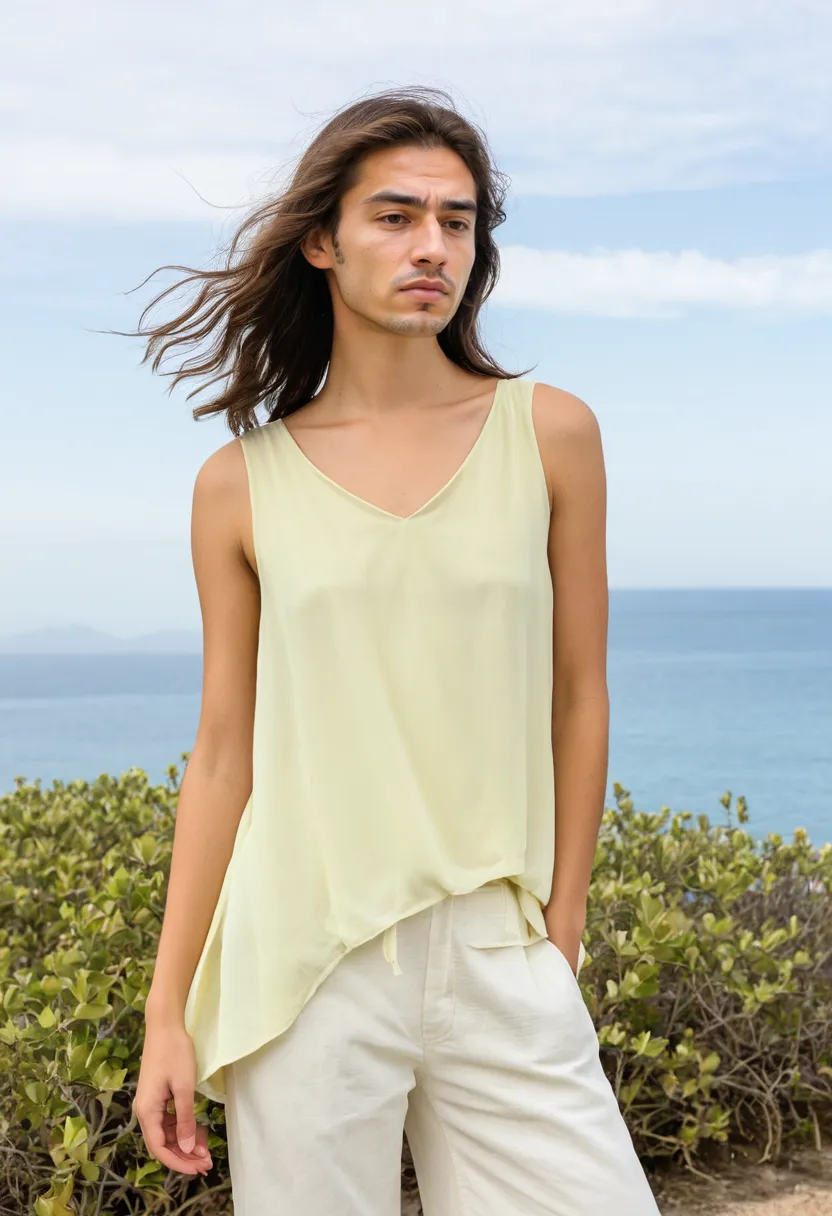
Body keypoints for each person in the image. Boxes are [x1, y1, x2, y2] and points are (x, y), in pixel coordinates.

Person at [128, 85, 662, 1214]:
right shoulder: (239, 487)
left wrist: (558, 926)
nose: (433, 247)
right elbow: (224, 754)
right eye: (397, 216)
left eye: (458, 221)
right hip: (302, 966)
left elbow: (579, 692)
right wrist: (166, 1009)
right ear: (321, 239)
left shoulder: (550, 434)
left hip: (498, 950)